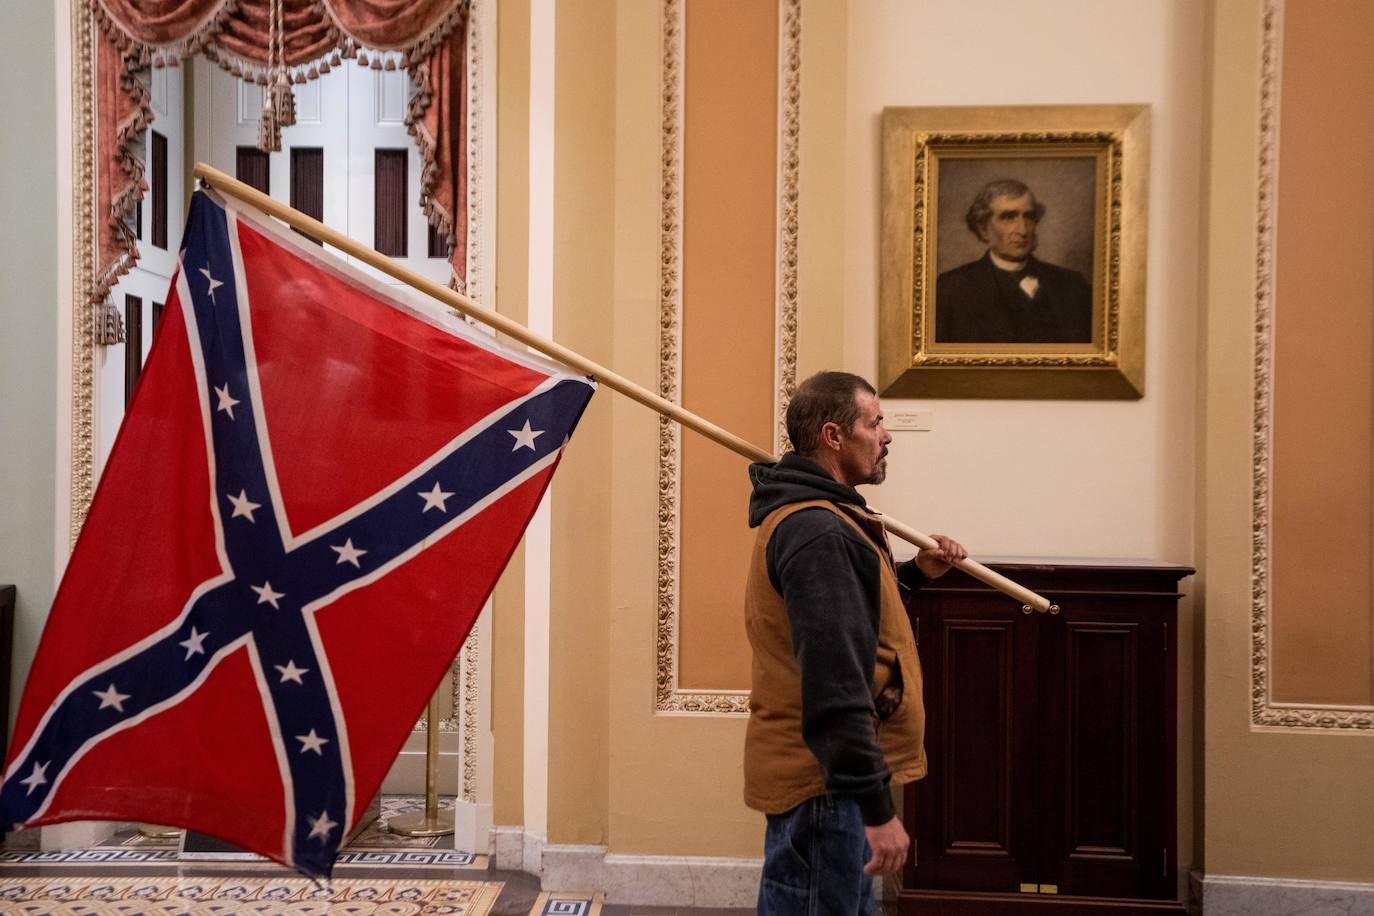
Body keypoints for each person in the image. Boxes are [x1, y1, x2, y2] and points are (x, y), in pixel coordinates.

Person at [744, 371, 967, 914]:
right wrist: (875, 809)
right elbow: (836, 678)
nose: (886, 436)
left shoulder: (828, 521)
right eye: (875, 423)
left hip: (830, 779)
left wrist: (914, 574)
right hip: (827, 786)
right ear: (834, 436)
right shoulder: (819, 530)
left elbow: (850, 621)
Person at [935, 178, 1093, 344]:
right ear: (984, 228)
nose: (1023, 230)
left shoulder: (1073, 285)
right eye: (1009, 217)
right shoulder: (951, 289)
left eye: (1029, 217)